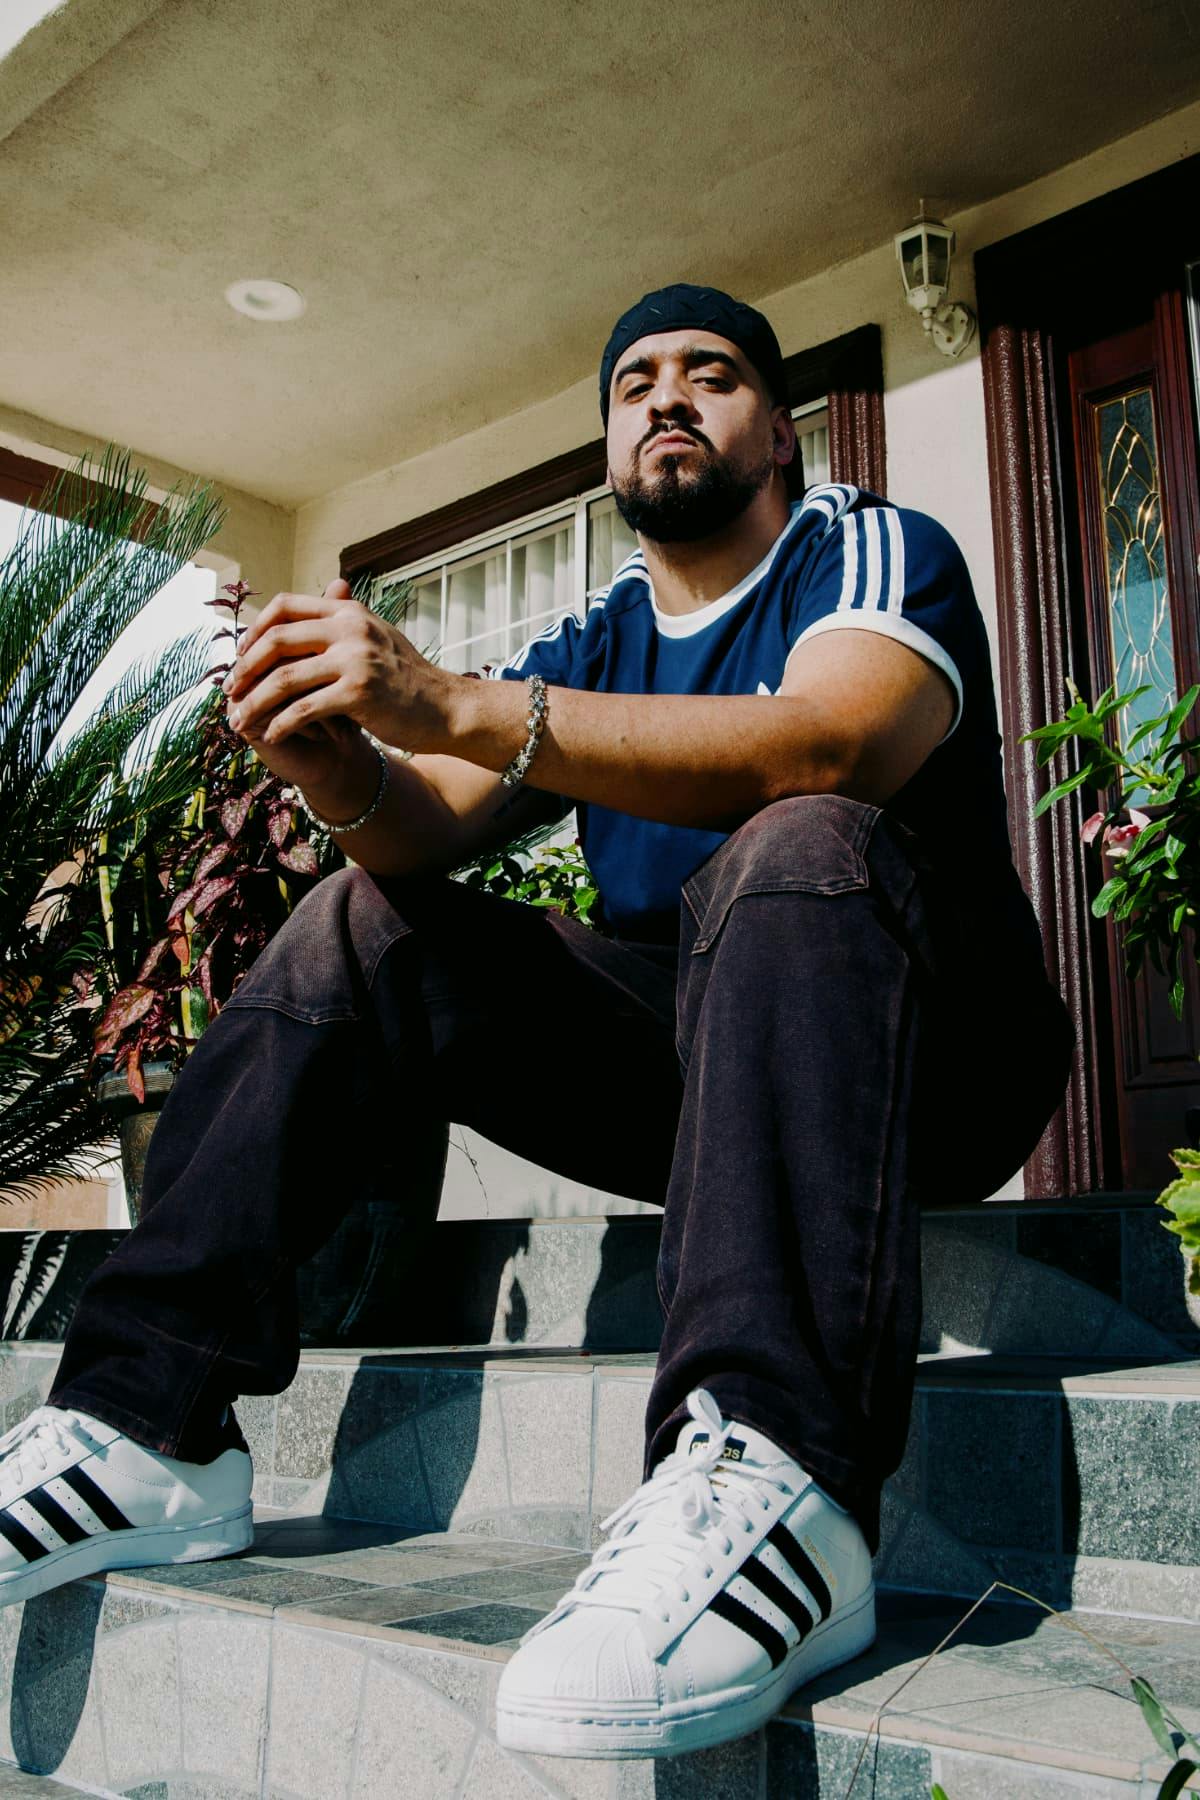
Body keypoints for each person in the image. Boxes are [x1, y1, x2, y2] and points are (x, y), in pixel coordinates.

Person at [0, 283, 1073, 1761]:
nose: (667, 396)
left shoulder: (866, 548)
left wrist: (453, 699)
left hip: (933, 1060)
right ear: (612, 444)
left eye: (711, 373)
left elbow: (837, 739)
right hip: (707, 1073)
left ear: (781, 433)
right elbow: (415, 834)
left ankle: (784, 1474)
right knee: (364, 924)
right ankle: (144, 1426)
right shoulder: (601, 633)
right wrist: (334, 767)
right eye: (635, 382)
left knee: (798, 837)